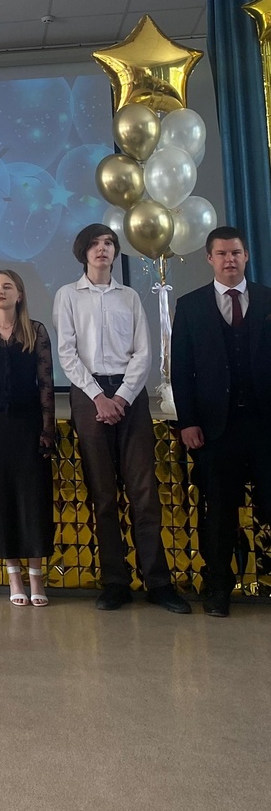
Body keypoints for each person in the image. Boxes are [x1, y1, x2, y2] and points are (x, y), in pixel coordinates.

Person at [54, 223, 189, 614]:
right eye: (95, 244)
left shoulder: (128, 296)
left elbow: (144, 353)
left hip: (130, 397)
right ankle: (115, 582)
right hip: (89, 396)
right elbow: (67, 354)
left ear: (115, 252)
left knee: (144, 493)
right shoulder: (67, 295)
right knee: (103, 494)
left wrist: (122, 397)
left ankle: (158, 582)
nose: (103, 249)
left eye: (109, 243)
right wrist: (99, 397)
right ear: (83, 252)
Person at [171, 227, 271, 617]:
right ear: (209, 259)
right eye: (222, 253)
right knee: (219, 514)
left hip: (264, 427)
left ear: (246, 256)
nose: (230, 259)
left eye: (236, 253)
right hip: (215, 429)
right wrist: (187, 421)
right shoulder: (191, 306)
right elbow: (182, 370)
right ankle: (217, 589)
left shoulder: (267, 299)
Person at [0, 270, 56, 606]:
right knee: (1, 499)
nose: (0, 291)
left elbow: (46, 383)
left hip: (29, 425)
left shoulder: (36, 331)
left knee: (32, 498)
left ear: (19, 294)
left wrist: (47, 428)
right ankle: (14, 577)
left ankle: (36, 576)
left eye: (7, 286)